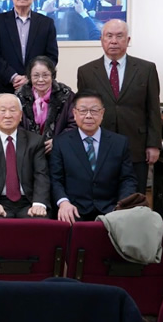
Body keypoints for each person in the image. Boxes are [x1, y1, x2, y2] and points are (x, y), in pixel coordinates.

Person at [77, 19, 161, 194]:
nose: (114, 41)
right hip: (100, 145)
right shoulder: (86, 71)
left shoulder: (146, 69)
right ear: (101, 40)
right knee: (102, 194)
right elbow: (83, 112)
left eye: (119, 36)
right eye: (109, 36)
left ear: (128, 40)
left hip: (136, 145)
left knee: (135, 196)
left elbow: (153, 109)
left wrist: (153, 144)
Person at [51, 90, 138, 223]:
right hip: (74, 209)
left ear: (102, 113)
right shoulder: (61, 143)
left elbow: (128, 179)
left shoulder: (119, 142)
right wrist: (64, 202)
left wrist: (122, 205)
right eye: (83, 111)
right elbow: (56, 179)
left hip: (112, 208)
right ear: (74, 113)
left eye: (94, 111)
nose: (88, 116)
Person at [0, 93, 50, 219]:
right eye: (3, 110)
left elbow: (41, 174)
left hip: (28, 201)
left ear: (20, 115)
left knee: (39, 222)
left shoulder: (35, 141)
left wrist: (38, 203)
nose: (8, 115)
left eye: (13, 110)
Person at [0, 0, 59, 94]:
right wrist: (13, 77)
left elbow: (51, 57)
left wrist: (30, 78)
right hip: (6, 88)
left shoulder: (46, 23)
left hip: (38, 89)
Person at [15, 55, 75, 154]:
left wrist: (58, 141)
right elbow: (15, 124)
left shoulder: (66, 95)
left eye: (45, 75)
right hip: (29, 151)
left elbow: (74, 123)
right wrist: (30, 143)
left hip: (60, 150)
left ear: (52, 75)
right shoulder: (20, 96)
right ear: (29, 77)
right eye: (36, 75)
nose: (41, 80)